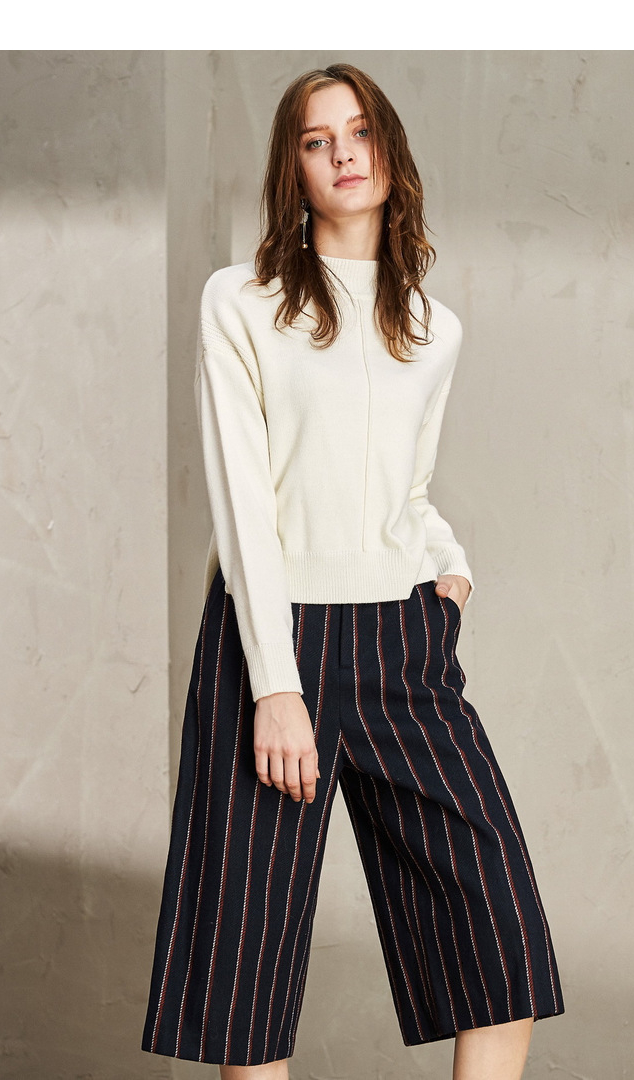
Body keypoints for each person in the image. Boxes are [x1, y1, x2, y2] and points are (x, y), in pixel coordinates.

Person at [141, 63, 564, 1079]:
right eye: (316, 138)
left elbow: (406, 489)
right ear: (293, 167)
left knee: (501, 945)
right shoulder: (241, 303)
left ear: (389, 151)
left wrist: (449, 565)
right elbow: (244, 500)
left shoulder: (433, 327)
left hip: (400, 642)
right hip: (269, 639)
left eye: (360, 130)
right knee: (246, 982)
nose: (342, 153)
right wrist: (276, 687)